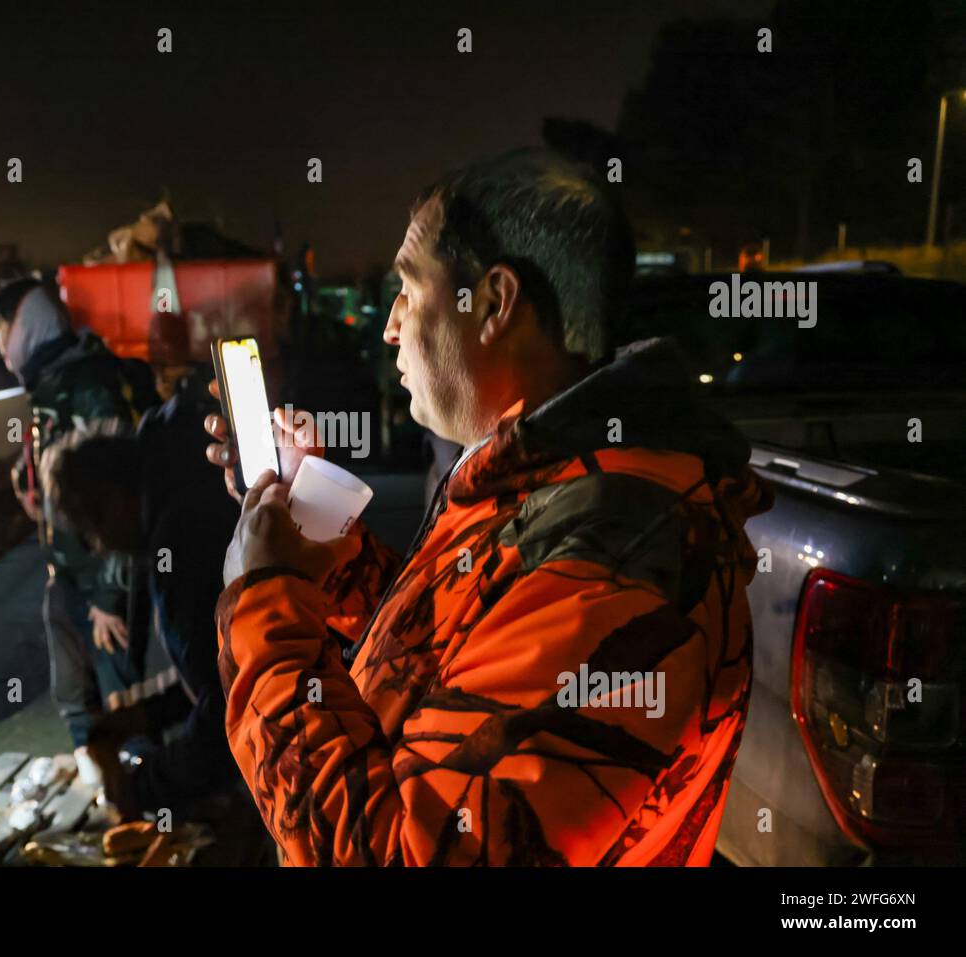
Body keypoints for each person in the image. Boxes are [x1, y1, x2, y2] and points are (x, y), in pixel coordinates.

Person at [205, 149, 774, 866]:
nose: (389, 329)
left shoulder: (618, 559)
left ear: (496, 303)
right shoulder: (553, 478)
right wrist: (311, 517)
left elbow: (406, 853)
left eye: (409, 292)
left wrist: (264, 606)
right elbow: (464, 656)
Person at [41, 370, 241, 820]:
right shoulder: (188, 493)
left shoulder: (178, 544)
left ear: (114, 499)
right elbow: (224, 666)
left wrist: (140, 789)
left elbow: (231, 713)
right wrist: (147, 715)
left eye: (91, 531)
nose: (99, 546)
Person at [0, 278, 161, 780]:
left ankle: (146, 800)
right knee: (72, 692)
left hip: (102, 580)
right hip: (66, 570)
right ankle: (103, 786)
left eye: (0, 329)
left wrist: (110, 594)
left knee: (121, 699)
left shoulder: (90, 384)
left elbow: (127, 497)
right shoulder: (53, 383)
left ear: (28, 326)